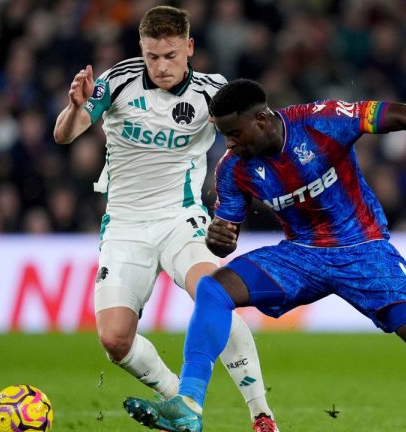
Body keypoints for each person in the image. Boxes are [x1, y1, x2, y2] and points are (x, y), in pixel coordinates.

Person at [124, 79, 406, 432]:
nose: (230, 145)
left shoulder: (320, 122)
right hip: (302, 256)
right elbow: (226, 239)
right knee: (214, 289)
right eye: (224, 137)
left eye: (235, 134)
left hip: (363, 249)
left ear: (261, 119)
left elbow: (399, 113)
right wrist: (218, 238)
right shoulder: (234, 170)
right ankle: (189, 402)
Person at [53, 7, 278, 432]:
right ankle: (179, 402)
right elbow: (65, 135)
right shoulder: (115, 82)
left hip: (182, 220)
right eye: (153, 56)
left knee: (215, 293)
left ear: (189, 48)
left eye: (171, 56)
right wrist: (73, 107)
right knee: (114, 340)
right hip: (124, 226)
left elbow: (257, 137)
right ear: (142, 49)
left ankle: (261, 414)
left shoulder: (214, 93)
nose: (161, 66)